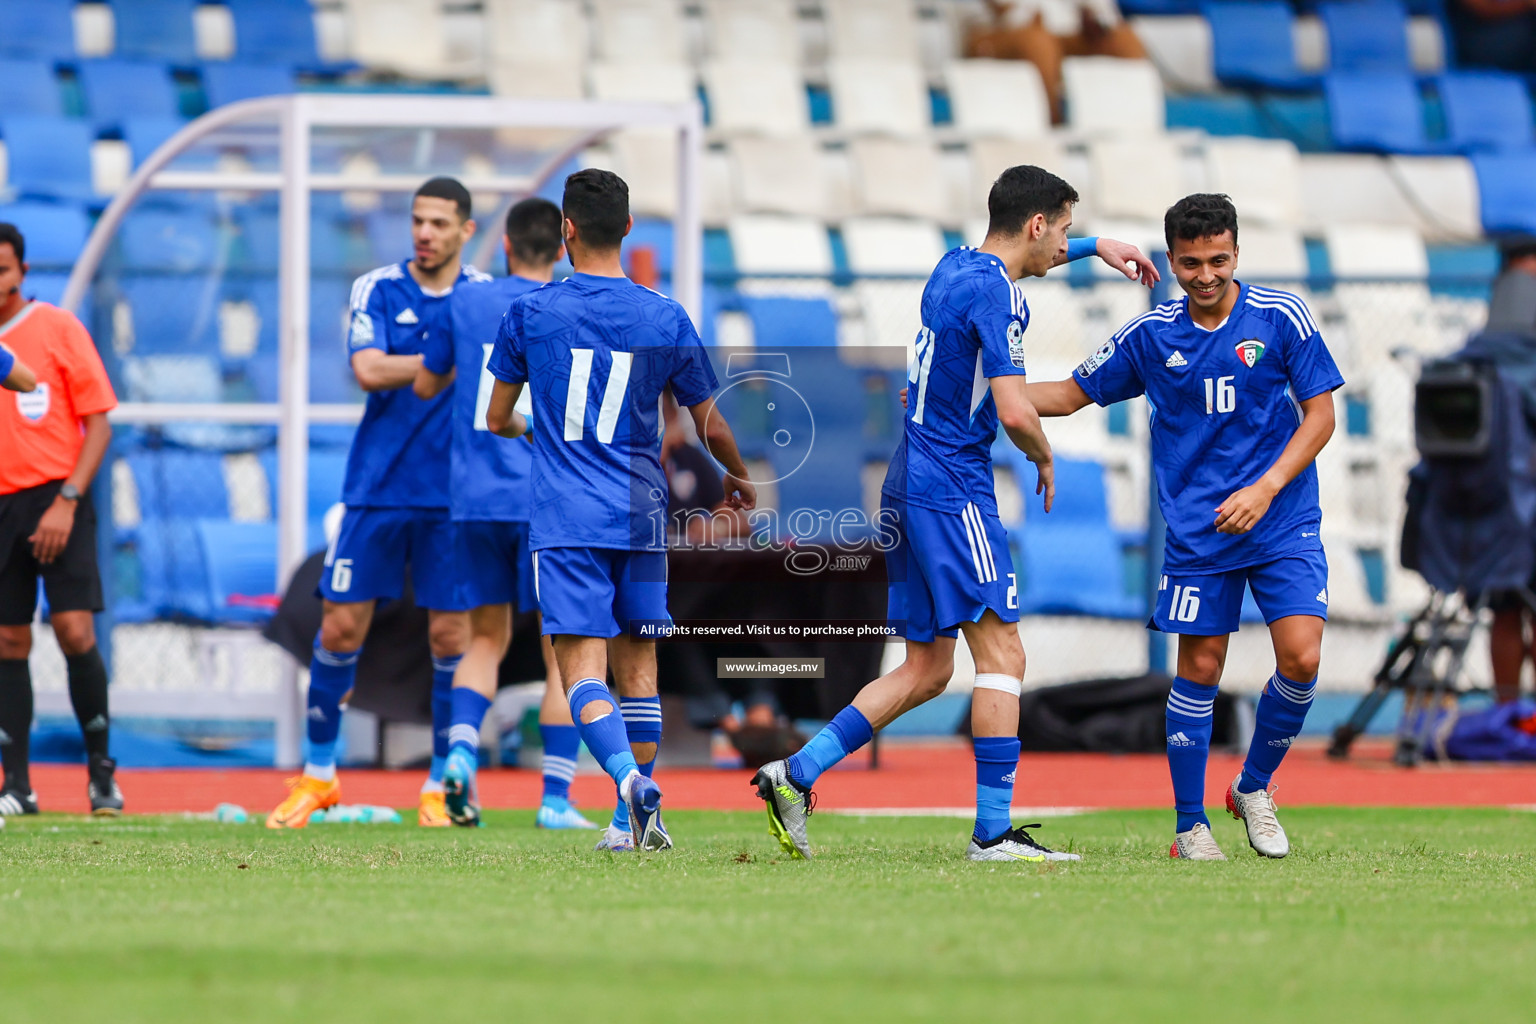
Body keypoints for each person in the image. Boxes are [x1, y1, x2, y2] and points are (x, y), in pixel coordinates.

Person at [753, 165, 1157, 863]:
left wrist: (1099, 247)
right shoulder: (998, 298)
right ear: (1036, 225)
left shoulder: (953, 267)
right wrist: (1042, 455)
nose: (1063, 244)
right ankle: (993, 834)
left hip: (909, 482)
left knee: (928, 669)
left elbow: (1003, 375)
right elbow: (1013, 408)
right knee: (1004, 653)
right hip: (951, 487)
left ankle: (795, 773)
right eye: (1062, 230)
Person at [1026, 193, 1343, 860]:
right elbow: (1067, 394)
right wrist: (979, 391)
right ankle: (1189, 827)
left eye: (1218, 260)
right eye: (1192, 263)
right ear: (1171, 261)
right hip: (1201, 533)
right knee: (1198, 670)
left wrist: (1265, 488)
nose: (1206, 275)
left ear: (1236, 254)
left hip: (1280, 516)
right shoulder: (1150, 337)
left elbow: (1321, 417)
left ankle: (1253, 787)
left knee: (1304, 659)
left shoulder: (1281, 316)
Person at [483, 168, 756, 852]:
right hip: (641, 515)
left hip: (569, 517)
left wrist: (533, 428)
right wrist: (740, 477)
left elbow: (497, 417)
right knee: (640, 669)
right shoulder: (665, 315)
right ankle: (630, 820)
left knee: (580, 668)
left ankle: (631, 788)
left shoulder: (529, 313)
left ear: (566, 230)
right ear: (629, 229)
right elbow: (711, 425)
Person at [267, 178, 489, 829]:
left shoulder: (483, 298)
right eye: (419, 221)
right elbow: (367, 368)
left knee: (451, 636)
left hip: (454, 499)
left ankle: (437, 787)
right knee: (338, 628)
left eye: (440, 223)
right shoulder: (376, 288)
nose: (425, 233)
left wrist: (415, 362)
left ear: (466, 231)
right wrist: (444, 363)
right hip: (377, 490)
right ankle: (318, 776)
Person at [412, 197, 600, 832]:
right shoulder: (570, 310)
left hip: (474, 498)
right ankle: (554, 799)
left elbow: (426, 382)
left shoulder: (465, 302)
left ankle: (459, 756)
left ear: (507, 246)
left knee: (484, 639)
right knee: (559, 650)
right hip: (549, 500)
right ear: (563, 245)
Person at [0, 222, 123, 817]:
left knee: (75, 632)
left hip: (56, 497)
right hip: (0, 505)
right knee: (8, 638)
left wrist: (67, 499)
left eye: (2, 270)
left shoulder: (55, 328)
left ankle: (102, 773)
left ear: (22, 270)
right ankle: (17, 784)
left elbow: (98, 421)